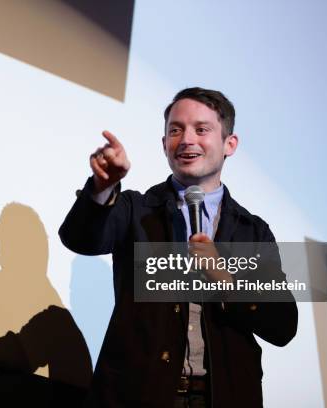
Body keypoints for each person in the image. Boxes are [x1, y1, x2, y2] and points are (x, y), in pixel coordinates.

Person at [59, 87, 298, 408]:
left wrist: (226, 281)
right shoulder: (137, 208)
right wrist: (103, 187)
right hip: (140, 395)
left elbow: (283, 325)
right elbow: (80, 239)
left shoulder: (251, 231)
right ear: (164, 144)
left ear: (230, 143)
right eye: (175, 130)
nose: (186, 139)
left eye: (201, 129)